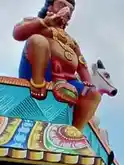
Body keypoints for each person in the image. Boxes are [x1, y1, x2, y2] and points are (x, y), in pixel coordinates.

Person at [13, 0, 103, 130]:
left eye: (70, 9)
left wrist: (88, 84)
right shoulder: (37, 23)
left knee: (93, 94)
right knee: (37, 41)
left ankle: (75, 131)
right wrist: (45, 22)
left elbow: (82, 65)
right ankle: (38, 85)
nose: (67, 11)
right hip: (38, 73)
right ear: (50, 6)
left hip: (66, 80)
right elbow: (18, 33)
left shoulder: (71, 41)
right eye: (62, 5)